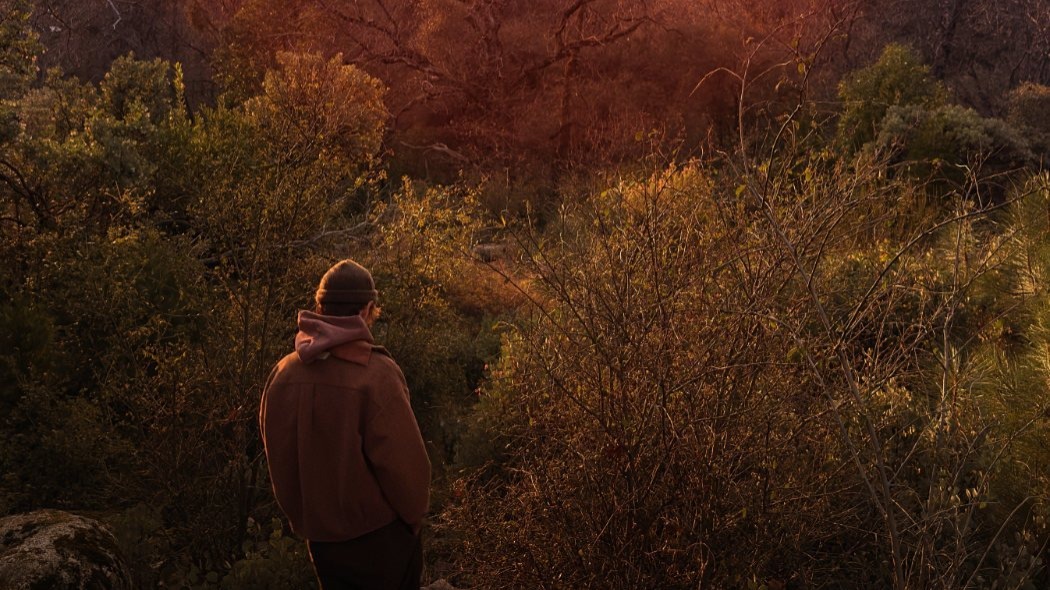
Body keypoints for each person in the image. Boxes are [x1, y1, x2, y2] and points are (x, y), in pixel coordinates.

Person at [259, 259, 431, 590]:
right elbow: (406, 469)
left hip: (322, 543)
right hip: (380, 540)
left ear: (320, 307)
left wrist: (308, 521)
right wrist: (413, 519)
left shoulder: (283, 373)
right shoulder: (376, 375)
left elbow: (278, 458)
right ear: (366, 310)